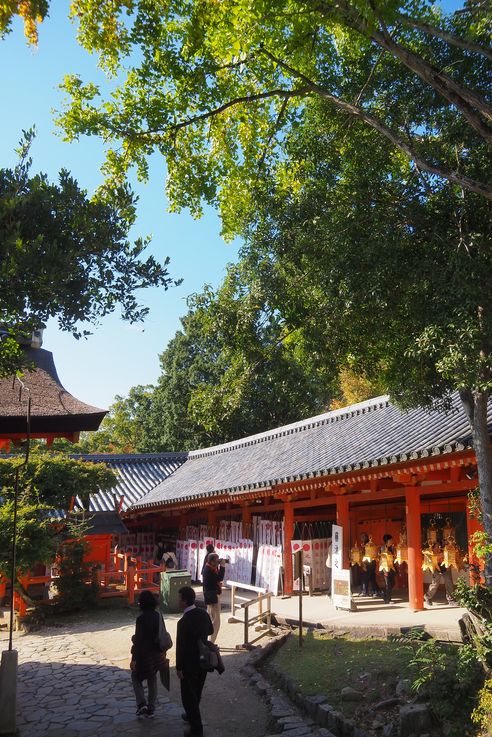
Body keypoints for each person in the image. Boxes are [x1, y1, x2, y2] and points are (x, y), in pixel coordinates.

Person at [176, 585, 214, 737]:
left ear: (184, 601)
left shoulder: (183, 622)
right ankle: (190, 716)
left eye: (179, 599)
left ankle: (196, 729)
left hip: (189, 663)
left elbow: (181, 647)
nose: (178, 602)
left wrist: (179, 667)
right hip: (203, 660)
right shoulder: (203, 613)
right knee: (197, 691)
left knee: (188, 696)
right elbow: (210, 630)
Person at [130, 589, 168, 719]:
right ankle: (151, 708)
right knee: (152, 679)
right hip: (158, 654)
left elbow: (139, 641)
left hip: (144, 655)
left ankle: (141, 704)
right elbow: (163, 634)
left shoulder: (141, 619)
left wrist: (134, 659)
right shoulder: (158, 616)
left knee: (136, 677)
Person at [202, 553, 225, 643]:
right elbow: (219, 578)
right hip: (213, 597)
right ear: (211, 562)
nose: (218, 562)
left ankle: (209, 640)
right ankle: (211, 642)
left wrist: (219, 565)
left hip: (210, 596)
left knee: (211, 619)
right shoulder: (208, 570)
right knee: (216, 621)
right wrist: (222, 567)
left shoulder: (209, 568)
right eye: (216, 560)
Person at [379, 534, 396, 604]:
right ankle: (387, 599)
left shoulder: (391, 548)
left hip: (391, 567)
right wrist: (385, 570)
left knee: (392, 583)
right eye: (390, 540)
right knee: (388, 584)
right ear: (387, 541)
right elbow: (383, 560)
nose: (392, 541)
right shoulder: (383, 548)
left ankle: (384, 594)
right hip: (385, 568)